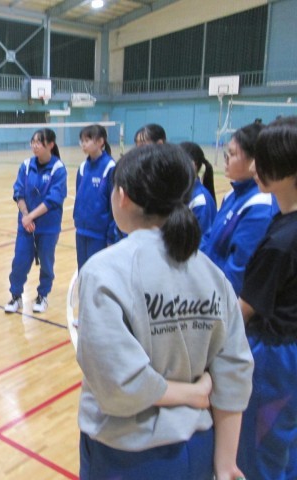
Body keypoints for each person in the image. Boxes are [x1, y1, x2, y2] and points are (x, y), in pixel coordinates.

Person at [77, 143, 253, 480]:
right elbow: (235, 370)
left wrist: (188, 393)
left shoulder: (104, 271)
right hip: (199, 448)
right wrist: (226, 462)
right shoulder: (212, 274)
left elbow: (118, 385)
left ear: (122, 196)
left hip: (126, 455)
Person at [236, 117, 297, 479]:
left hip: (275, 358)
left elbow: (243, 311)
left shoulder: (280, 243)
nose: (255, 166)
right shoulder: (283, 222)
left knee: (259, 454)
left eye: (264, 158)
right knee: (284, 446)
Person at [200, 123, 278, 296]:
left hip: (223, 297)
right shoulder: (231, 195)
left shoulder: (260, 207)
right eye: (227, 152)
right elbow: (210, 238)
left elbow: (238, 273)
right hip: (207, 284)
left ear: (255, 160)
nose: (226, 158)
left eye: (233, 154)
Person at [4, 128, 67, 314]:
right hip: (26, 225)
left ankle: (42, 295)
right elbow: (19, 192)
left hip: (48, 226)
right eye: (33, 142)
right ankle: (16, 296)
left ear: (50, 145)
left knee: (46, 262)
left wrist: (31, 216)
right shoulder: (26, 166)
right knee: (20, 261)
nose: (35, 146)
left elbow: (53, 199)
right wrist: (26, 215)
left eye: (39, 142)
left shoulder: (58, 169)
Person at [73, 124, 116, 271]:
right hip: (81, 231)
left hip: (100, 235)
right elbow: (79, 198)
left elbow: (114, 205)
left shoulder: (110, 167)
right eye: (82, 141)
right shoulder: (82, 168)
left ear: (100, 142)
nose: (83, 144)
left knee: (98, 274)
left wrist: (111, 236)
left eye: (87, 140)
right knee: (83, 272)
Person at [179, 142, 217, 234]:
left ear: (193, 165)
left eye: (178, 161)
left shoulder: (201, 200)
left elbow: (204, 238)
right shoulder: (178, 193)